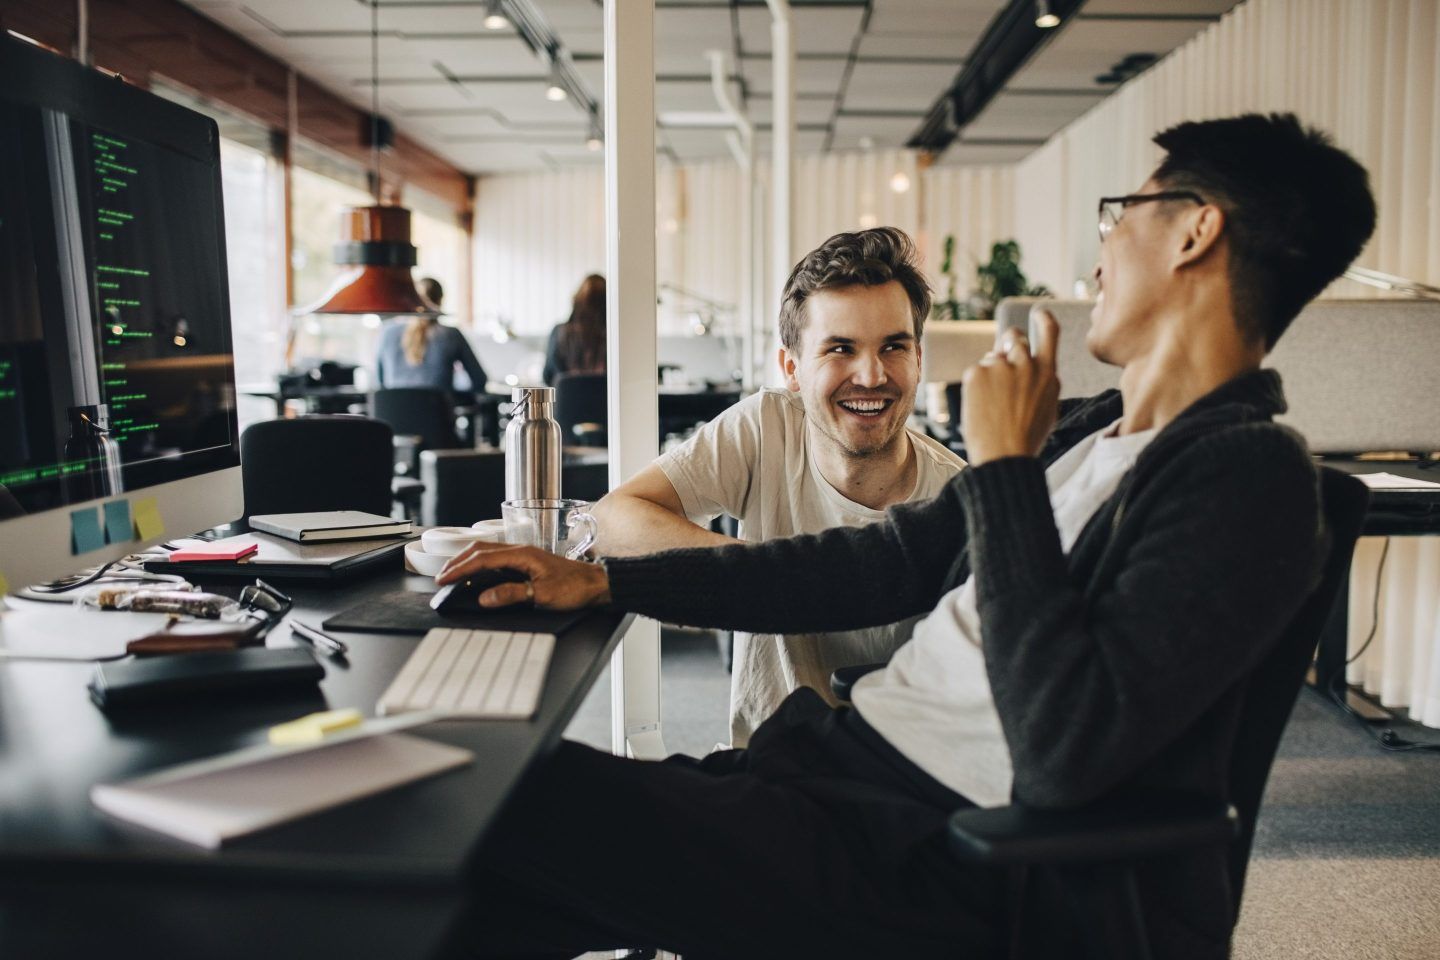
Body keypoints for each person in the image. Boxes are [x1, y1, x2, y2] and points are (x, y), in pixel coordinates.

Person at [435, 113, 1377, 960]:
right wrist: (606, 585)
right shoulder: (1099, 429)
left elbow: (1066, 748)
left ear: (1193, 228)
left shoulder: (1252, 475)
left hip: (938, 856)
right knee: (450, 886)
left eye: (1116, 216)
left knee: (476, 799)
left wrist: (1007, 465)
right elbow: (882, 562)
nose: (1100, 256)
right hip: (839, 772)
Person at [591, 227, 964, 746]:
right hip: (760, 765)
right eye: (841, 348)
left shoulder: (959, 498)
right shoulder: (766, 427)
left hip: (896, 785)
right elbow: (614, 519)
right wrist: (759, 577)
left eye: (894, 347)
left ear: (919, 359)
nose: (873, 375)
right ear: (792, 367)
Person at [374, 278, 488, 394]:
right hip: (436, 409)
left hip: (393, 410)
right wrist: (454, 399)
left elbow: (379, 381)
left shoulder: (387, 332)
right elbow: (479, 380)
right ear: (440, 301)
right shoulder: (451, 335)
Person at [543, 273, 606, 386]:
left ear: (576, 302)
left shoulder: (559, 332)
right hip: (605, 402)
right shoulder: (612, 336)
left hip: (566, 402)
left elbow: (547, 377)